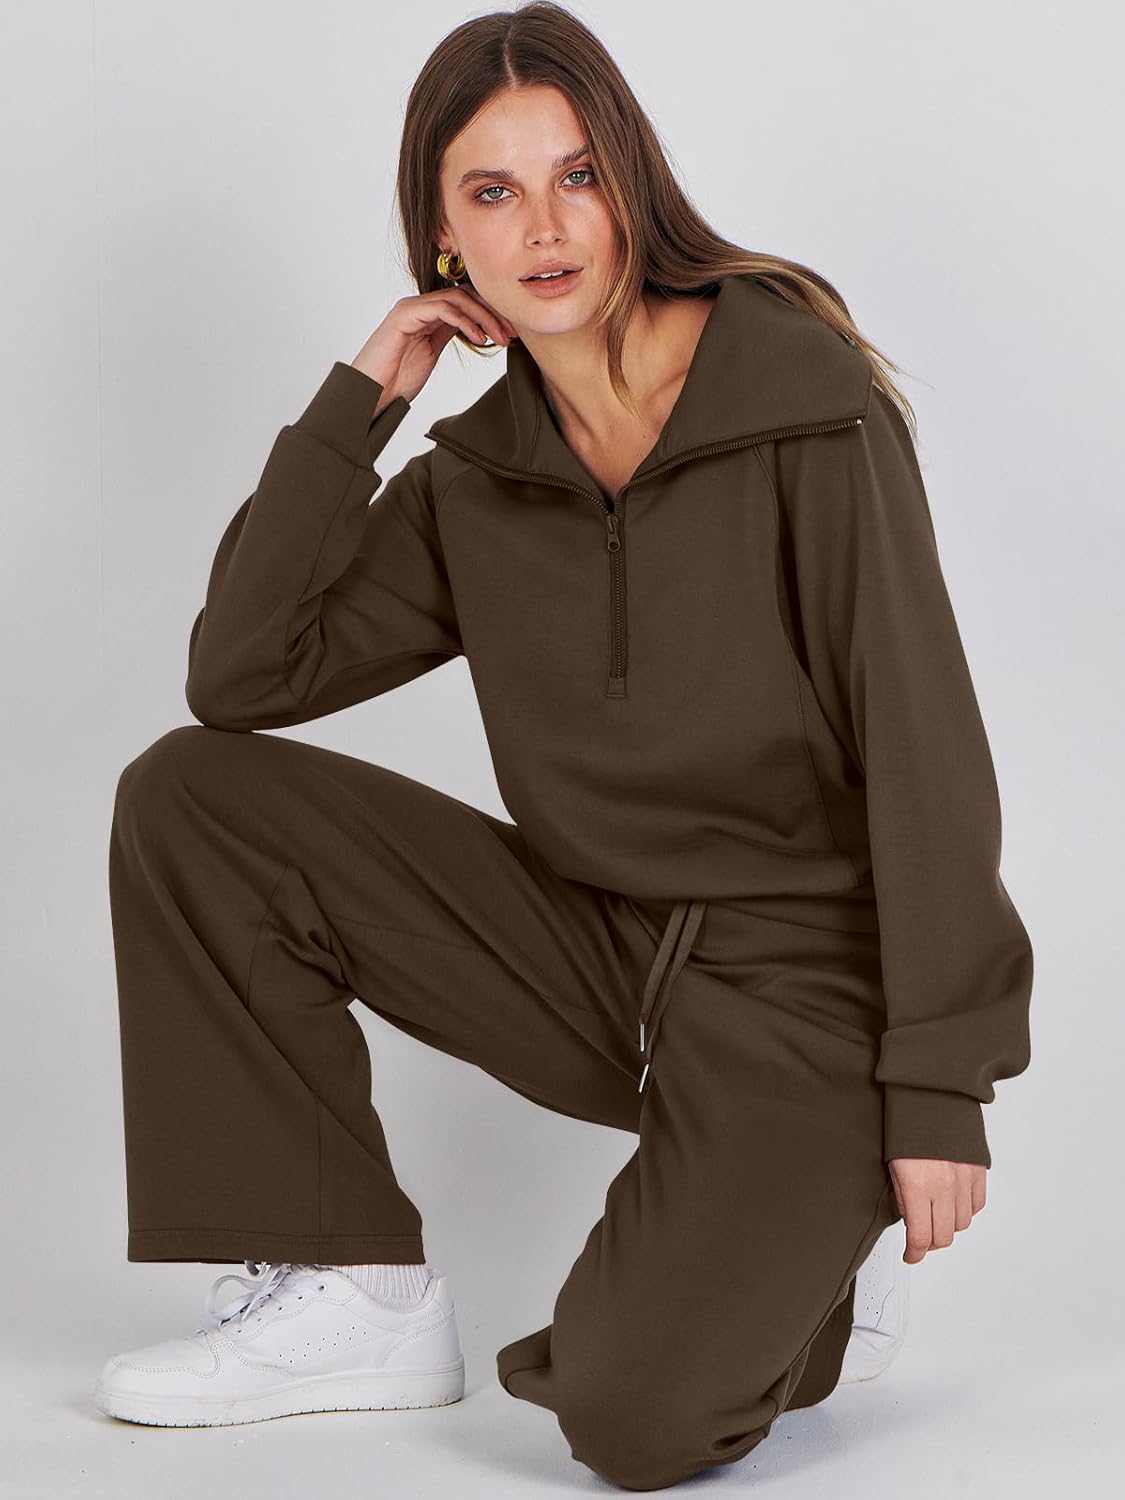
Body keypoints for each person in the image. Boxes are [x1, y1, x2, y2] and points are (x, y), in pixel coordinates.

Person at [94, 1, 1034, 1488]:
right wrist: (365, 401)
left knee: (633, 1424)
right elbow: (243, 678)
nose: (543, 227)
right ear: (443, 237)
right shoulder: (478, 482)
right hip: (597, 955)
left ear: (631, 185)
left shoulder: (800, 402)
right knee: (193, 799)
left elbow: (924, 741)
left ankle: (809, 1271)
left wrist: (937, 1083)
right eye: (492, 191)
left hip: (806, 996)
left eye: (577, 175)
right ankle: (351, 1289)